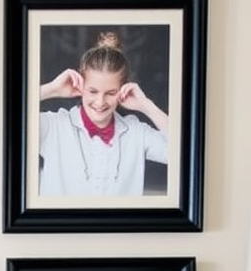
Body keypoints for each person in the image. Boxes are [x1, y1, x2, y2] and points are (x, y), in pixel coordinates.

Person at [38, 31, 168, 198]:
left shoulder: (136, 131)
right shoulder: (53, 126)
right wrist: (51, 89)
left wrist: (147, 106)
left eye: (110, 93)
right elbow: (4, 118)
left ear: (123, 90)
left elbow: (186, 151)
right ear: (81, 85)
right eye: (92, 91)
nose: (100, 102)